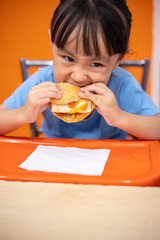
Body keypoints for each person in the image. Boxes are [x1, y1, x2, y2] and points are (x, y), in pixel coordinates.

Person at [0, 0, 160, 139]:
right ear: (52, 43)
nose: (78, 77)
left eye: (96, 64)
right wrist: (23, 114)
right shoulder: (43, 81)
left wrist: (119, 117)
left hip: (112, 161)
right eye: (68, 58)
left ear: (118, 59)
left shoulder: (121, 84)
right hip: (57, 158)